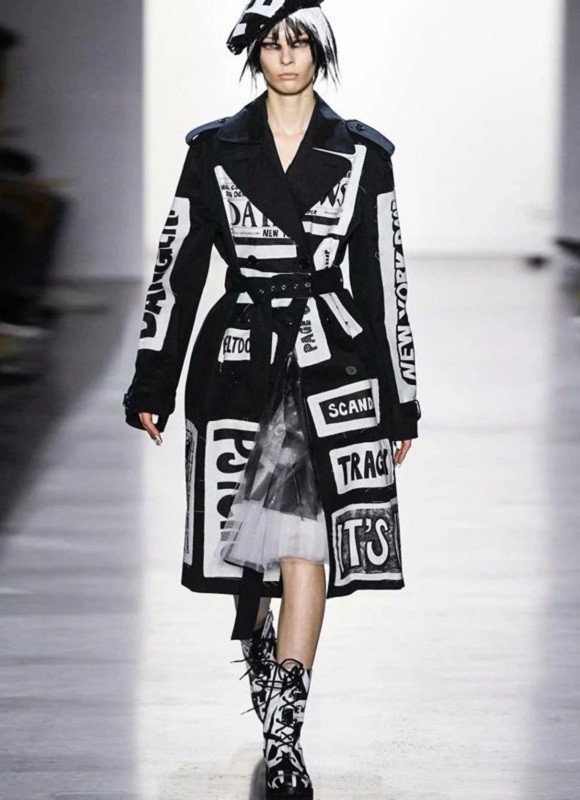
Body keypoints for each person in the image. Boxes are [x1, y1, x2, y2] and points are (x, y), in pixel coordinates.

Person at [123, 1, 421, 797]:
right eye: (272, 43)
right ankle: (257, 649)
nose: (286, 57)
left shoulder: (362, 154)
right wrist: (152, 379)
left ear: (322, 53)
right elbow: (179, 268)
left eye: (300, 43)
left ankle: (285, 734)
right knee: (244, 554)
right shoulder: (214, 151)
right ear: (253, 54)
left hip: (329, 364)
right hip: (239, 360)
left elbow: (383, 279)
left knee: (305, 546)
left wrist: (401, 399)